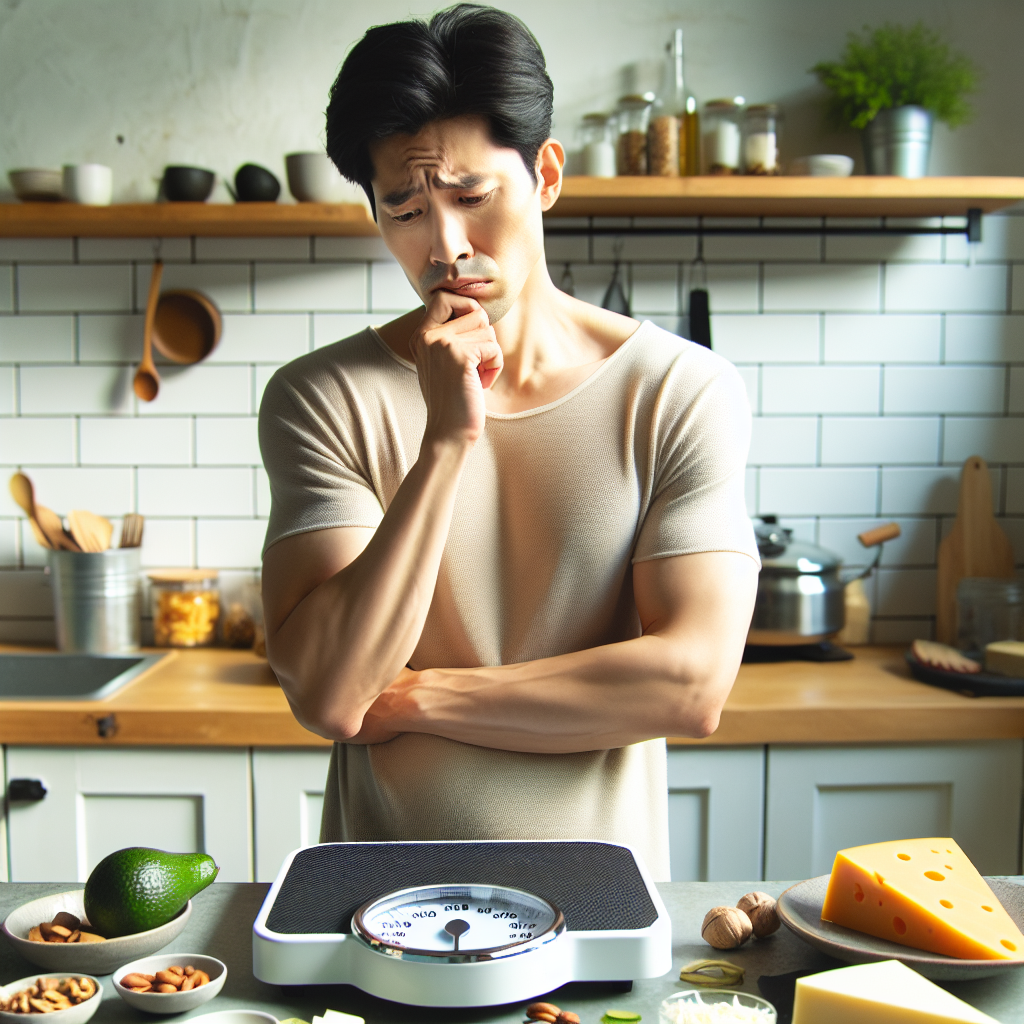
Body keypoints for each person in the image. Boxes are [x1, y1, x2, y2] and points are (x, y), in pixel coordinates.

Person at [259, 3, 759, 881]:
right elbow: (336, 694)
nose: (445, 246)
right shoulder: (321, 397)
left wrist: (416, 697)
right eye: (405, 208)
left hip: (598, 904)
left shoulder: (679, 392)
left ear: (548, 176)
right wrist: (446, 444)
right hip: (377, 907)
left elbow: (689, 686)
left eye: (471, 197)